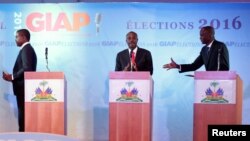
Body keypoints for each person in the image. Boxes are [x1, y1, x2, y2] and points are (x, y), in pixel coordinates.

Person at [2, 29, 37, 132]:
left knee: (23, 116)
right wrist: (11, 78)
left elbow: (27, 68)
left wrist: (13, 76)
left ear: (24, 37)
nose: (15, 39)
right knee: (23, 116)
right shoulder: (26, 49)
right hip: (23, 88)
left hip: (24, 89)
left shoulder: (27, 49)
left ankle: (22, 137)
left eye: (17, 36)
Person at [163, 26, 229, 72]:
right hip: (209, 82)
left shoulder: (220, 46)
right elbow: (194, 66)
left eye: (202, 35)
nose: (200, 37)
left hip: (220, 83)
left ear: (210, 34)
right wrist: (177, 66)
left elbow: (225, 67)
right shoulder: (204, 50)